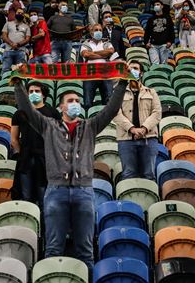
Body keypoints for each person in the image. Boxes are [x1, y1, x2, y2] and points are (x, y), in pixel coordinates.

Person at [12, 75, 128, 271]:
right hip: (56, 191)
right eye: (70, 101)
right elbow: (27, 110)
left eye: (77, 101)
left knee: (85, 249)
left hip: (83, 191)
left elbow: (111, 109)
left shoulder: (90, 126)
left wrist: (123, 83)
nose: (75, 104)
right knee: (53, 247)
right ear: (61, 108)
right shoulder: (49, 126)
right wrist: (17, 84)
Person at [11, 82, 58, 208]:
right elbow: (14, 139)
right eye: (30, 91)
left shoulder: (53, 113)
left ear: (43, 94)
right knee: (26, 197)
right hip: (26, 160)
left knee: (44, 197)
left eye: (37, 91)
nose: (33, 94)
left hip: (45, 160)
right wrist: (22, 154)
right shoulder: (19, 113)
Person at [114, 61, 161, 180]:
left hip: (149, 138)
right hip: (126, 139)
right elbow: (116, 113)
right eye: (129, 69)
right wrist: (132, 129)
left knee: (149, 174)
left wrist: (144, 128)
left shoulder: (151, 92)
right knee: (128, 174)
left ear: (141, 72)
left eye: (135, 68)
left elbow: (157, 113)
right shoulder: (118, 92)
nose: (132, 70)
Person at [80, 24, 115, 111]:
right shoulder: (85, 44)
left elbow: (110, 51)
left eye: (100, 30)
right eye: (96, 30)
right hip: (90, 74)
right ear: (91, 32)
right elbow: (86, 54)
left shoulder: (107, 43)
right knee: (88, 102)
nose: (98, 32)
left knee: (109, 101)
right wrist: (104, 55)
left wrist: (93, 54)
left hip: (105, 74)